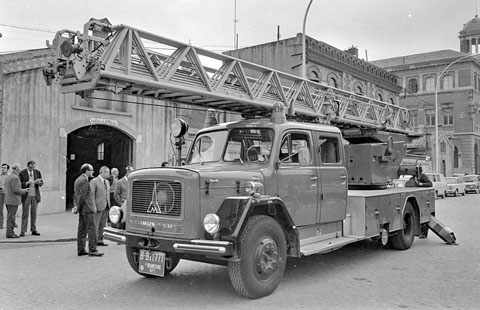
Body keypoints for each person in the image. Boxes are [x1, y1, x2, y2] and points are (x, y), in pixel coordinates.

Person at [74, 163, 103, 257]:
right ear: (86, 171)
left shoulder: (78, 180)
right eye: (91, 170)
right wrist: (78, 207)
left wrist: (77, 207)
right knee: (91, 229)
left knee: (82, 229)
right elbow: (83, 196)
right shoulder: (84, 181)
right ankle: (93, 249)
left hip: (83, 208)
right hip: (87, 208)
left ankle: (81, 249)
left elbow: (77, 195)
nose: (93, 172)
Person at [19, 160, 43, 237]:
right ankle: (23, 230)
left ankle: (33, 229)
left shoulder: (37, 172)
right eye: (30, 167)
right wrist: (27, 183)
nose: (31, 169)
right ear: (27, 166)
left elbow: (41, 182)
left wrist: (39, 182)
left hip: (35, 195)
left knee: (34, 213)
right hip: (26, 195)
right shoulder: (22, 173)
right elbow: (19, 183)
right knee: (25, 213)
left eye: (33, 167)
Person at [4, 163, 29, 238]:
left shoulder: (8, 177)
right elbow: (16, 190)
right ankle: (10, 233)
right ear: (17, 169)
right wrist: (25, 190)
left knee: (10, 216)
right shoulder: (15, 178)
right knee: (11, 217)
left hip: (8, 199)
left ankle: (10, 231)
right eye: (20, 168)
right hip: (13, 200)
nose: (21, 169)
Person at [90, 166, 110, 247]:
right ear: (103, 172)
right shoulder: (94, 181)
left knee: (103, 224)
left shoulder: (107, 182)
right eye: (107, 172)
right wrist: (93, 206)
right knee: (96, 224)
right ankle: (94, 241)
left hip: (105, 205)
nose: (109, 174)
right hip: (98, 206)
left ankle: (100, 240)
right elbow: (92, 195)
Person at [0, 163, 10, 229]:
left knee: (9, 209)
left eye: (4, 168)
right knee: (0, 209)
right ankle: (1, 224)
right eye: (2, 167)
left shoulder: (9, 176)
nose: (3, 169)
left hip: (8, 194)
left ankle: (12, 223)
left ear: (7, 169)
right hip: (1, 193)